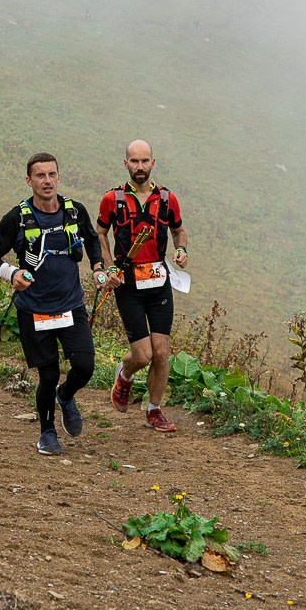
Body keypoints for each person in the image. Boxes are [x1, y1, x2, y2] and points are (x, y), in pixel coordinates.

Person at [0, 152, 107, 456]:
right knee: (48, 374)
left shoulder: (74, 211)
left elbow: (92, 240)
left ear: (59, 177)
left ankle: (65, 396)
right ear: (29, 181)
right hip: (34, 309)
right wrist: (12, 274)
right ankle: (47, 433)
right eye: (40, 175)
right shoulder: (16, 218)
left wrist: (98, 266)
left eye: (52, 174)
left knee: (85, 366)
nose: (47, 181)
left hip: (71, 305)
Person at [96, 139, 189, 432]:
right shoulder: (113, 199)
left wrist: (182, 250)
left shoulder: (166, 199)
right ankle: (124, 373)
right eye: (134, 162)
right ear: (126, 164)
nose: (139, 167)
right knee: (143, 355)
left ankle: (154, 410)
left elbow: (179, 230)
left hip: (159, 282)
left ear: (153, 163)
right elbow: (100, 234)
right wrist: (109, 267)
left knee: (162, 352)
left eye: (144, 161)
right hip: (128, 284)